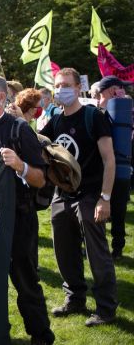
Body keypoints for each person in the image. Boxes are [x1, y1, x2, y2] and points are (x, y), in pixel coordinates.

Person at [0, 74, 55, 345]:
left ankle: (41, 336)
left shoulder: (19, 129)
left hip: (19, 219)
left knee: (25, 282)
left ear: (1, 97)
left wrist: (20, 166)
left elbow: (41, 178)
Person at [40, 68, 118, 327]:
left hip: (91, 195)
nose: (61, 89)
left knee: (97, 254)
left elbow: (109, 160)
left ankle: (106, 308)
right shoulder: (56, 120)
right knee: (64, 250)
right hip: (62, 195)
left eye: (66, 85)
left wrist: (104, 198)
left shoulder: (93, 116)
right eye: (57, 85)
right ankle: (75, 299)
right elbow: (39, 145)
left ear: (77, 88)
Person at [95, 75, 133, 260]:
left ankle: (117, 249)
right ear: (111, 90)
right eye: (121, 88)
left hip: (120, 169)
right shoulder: (93, 112)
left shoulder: (125, 112)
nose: (124, 92)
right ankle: (98, 246)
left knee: (118, 212)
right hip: (99, 170)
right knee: (97, 210)